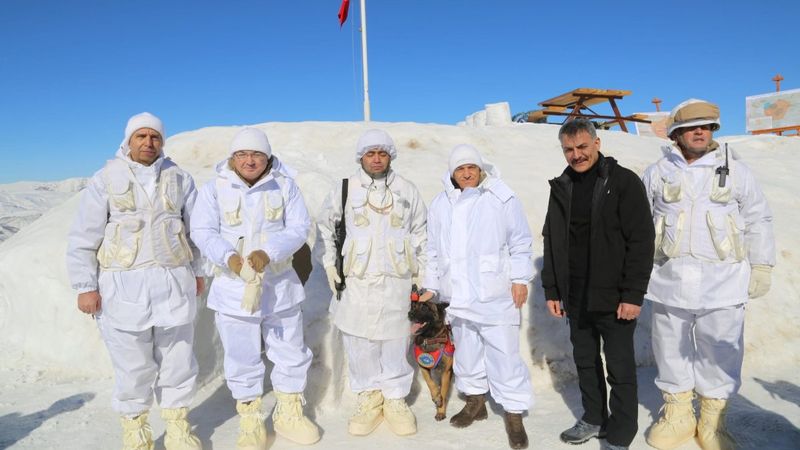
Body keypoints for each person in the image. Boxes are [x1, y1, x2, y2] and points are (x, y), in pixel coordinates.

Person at [642, 99, 775, 450]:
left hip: (723, 280)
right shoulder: (657, 172)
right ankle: (678, 414)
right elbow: (639, 225)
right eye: (691, 127)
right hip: (668, 278)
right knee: (669, 346)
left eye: (707, 126)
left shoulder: (737, 171)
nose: (700, 132)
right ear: (676, 133)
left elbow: (758, 218)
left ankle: (714, 420)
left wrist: (762, 264)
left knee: (721, 349)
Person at [66, 112, 204, 450]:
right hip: (123, 288)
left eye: (154, 137)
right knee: (132, 364)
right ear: (128, 141)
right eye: (140, 137)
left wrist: (200, 272)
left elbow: (196, 230)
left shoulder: (179, 178)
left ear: (162, 141)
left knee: (178, 359)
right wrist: (85, 287)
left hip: (173, 283)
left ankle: (177, 428)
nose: (148, 143)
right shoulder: (105, 178)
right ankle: (136, 430)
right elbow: (84, 236)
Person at [190, 127, 320, 449]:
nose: (250, 160)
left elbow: (298, 227)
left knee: (290, 349)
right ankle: (250, 419)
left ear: (267, 157)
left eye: (257, 155)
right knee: (242, 355)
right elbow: (202, 230)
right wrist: (229, 257)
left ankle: (288, 413)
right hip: (234, 288)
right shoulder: (214, 189)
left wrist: (269, 252)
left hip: (280, 285)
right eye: (243, 154)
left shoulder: (284, 185)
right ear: (233, 158)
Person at [542, 119, 655, 450]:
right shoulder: (562, 186)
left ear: (597, 143)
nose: (576, 155)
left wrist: (633, 294)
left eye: (582, 147)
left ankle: (620, 431)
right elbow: (552, 240)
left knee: (619, 367)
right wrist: (553, 289)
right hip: (576, 296)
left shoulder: (623, 182)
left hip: (614, 295)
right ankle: (594, 418)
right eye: (569, 149)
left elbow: (641, 240)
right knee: (585, 362)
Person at [419, 144, 534, 449]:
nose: (467, 173)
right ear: (452, 173)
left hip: (494, 291)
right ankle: (475, 402)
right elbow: (432, 250)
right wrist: (431, 285)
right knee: (467, 351)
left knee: (504, 355)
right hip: (457, 294)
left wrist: (520, 278)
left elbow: (520, 241)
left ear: (481, 169)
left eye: (472, 167)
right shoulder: (440, 203)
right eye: (460, 169)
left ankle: (513, 413)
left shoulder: (500, 196)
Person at [317, 129, 427, 437]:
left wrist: (425, 277)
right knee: (360, 341)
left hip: (397, 280)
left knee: (395, 339)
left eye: (382, 153)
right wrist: (328, 263)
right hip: (358, 281)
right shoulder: (345, 189)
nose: (376, 159)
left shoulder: (408, 189)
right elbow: (325, 228)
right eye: (370, 153)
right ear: (361, 157)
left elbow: (422, 235)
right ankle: (368, 395)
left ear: (390, 155)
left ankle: (394, 398)